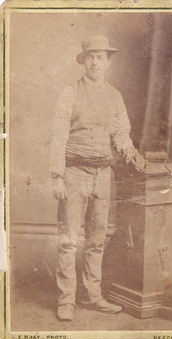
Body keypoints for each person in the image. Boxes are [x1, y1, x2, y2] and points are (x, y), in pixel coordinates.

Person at [50, 35, 145, 321]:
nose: (95, 61)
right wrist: (56, 176)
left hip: (103, 174)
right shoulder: (69, 93)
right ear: (83, 61)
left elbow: (120, 134)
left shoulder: (114, 96)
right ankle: (66, 300)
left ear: (107, 62)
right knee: (68, 239)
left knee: (96, 239)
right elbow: (58, 136)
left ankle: (92, 296)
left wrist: (132, 153)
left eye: (100, 57)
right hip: (74, 172)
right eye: (90, 56)